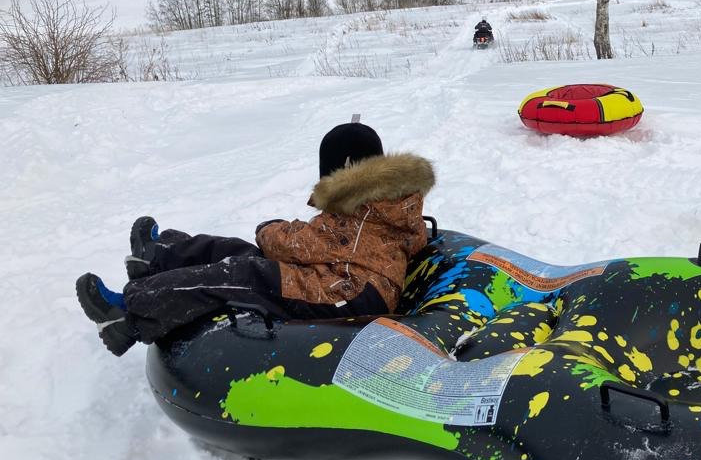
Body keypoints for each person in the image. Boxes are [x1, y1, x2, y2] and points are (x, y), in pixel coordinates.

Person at [75, 122, 435, 356]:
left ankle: (128, 315)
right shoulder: (388, 205)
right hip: (345, 278)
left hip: (348, 293)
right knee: (244, 255)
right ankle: (160, 255)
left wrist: (269, 227)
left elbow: (295, 243)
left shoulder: (363, 211)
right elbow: (326, 242)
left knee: (244, 274)